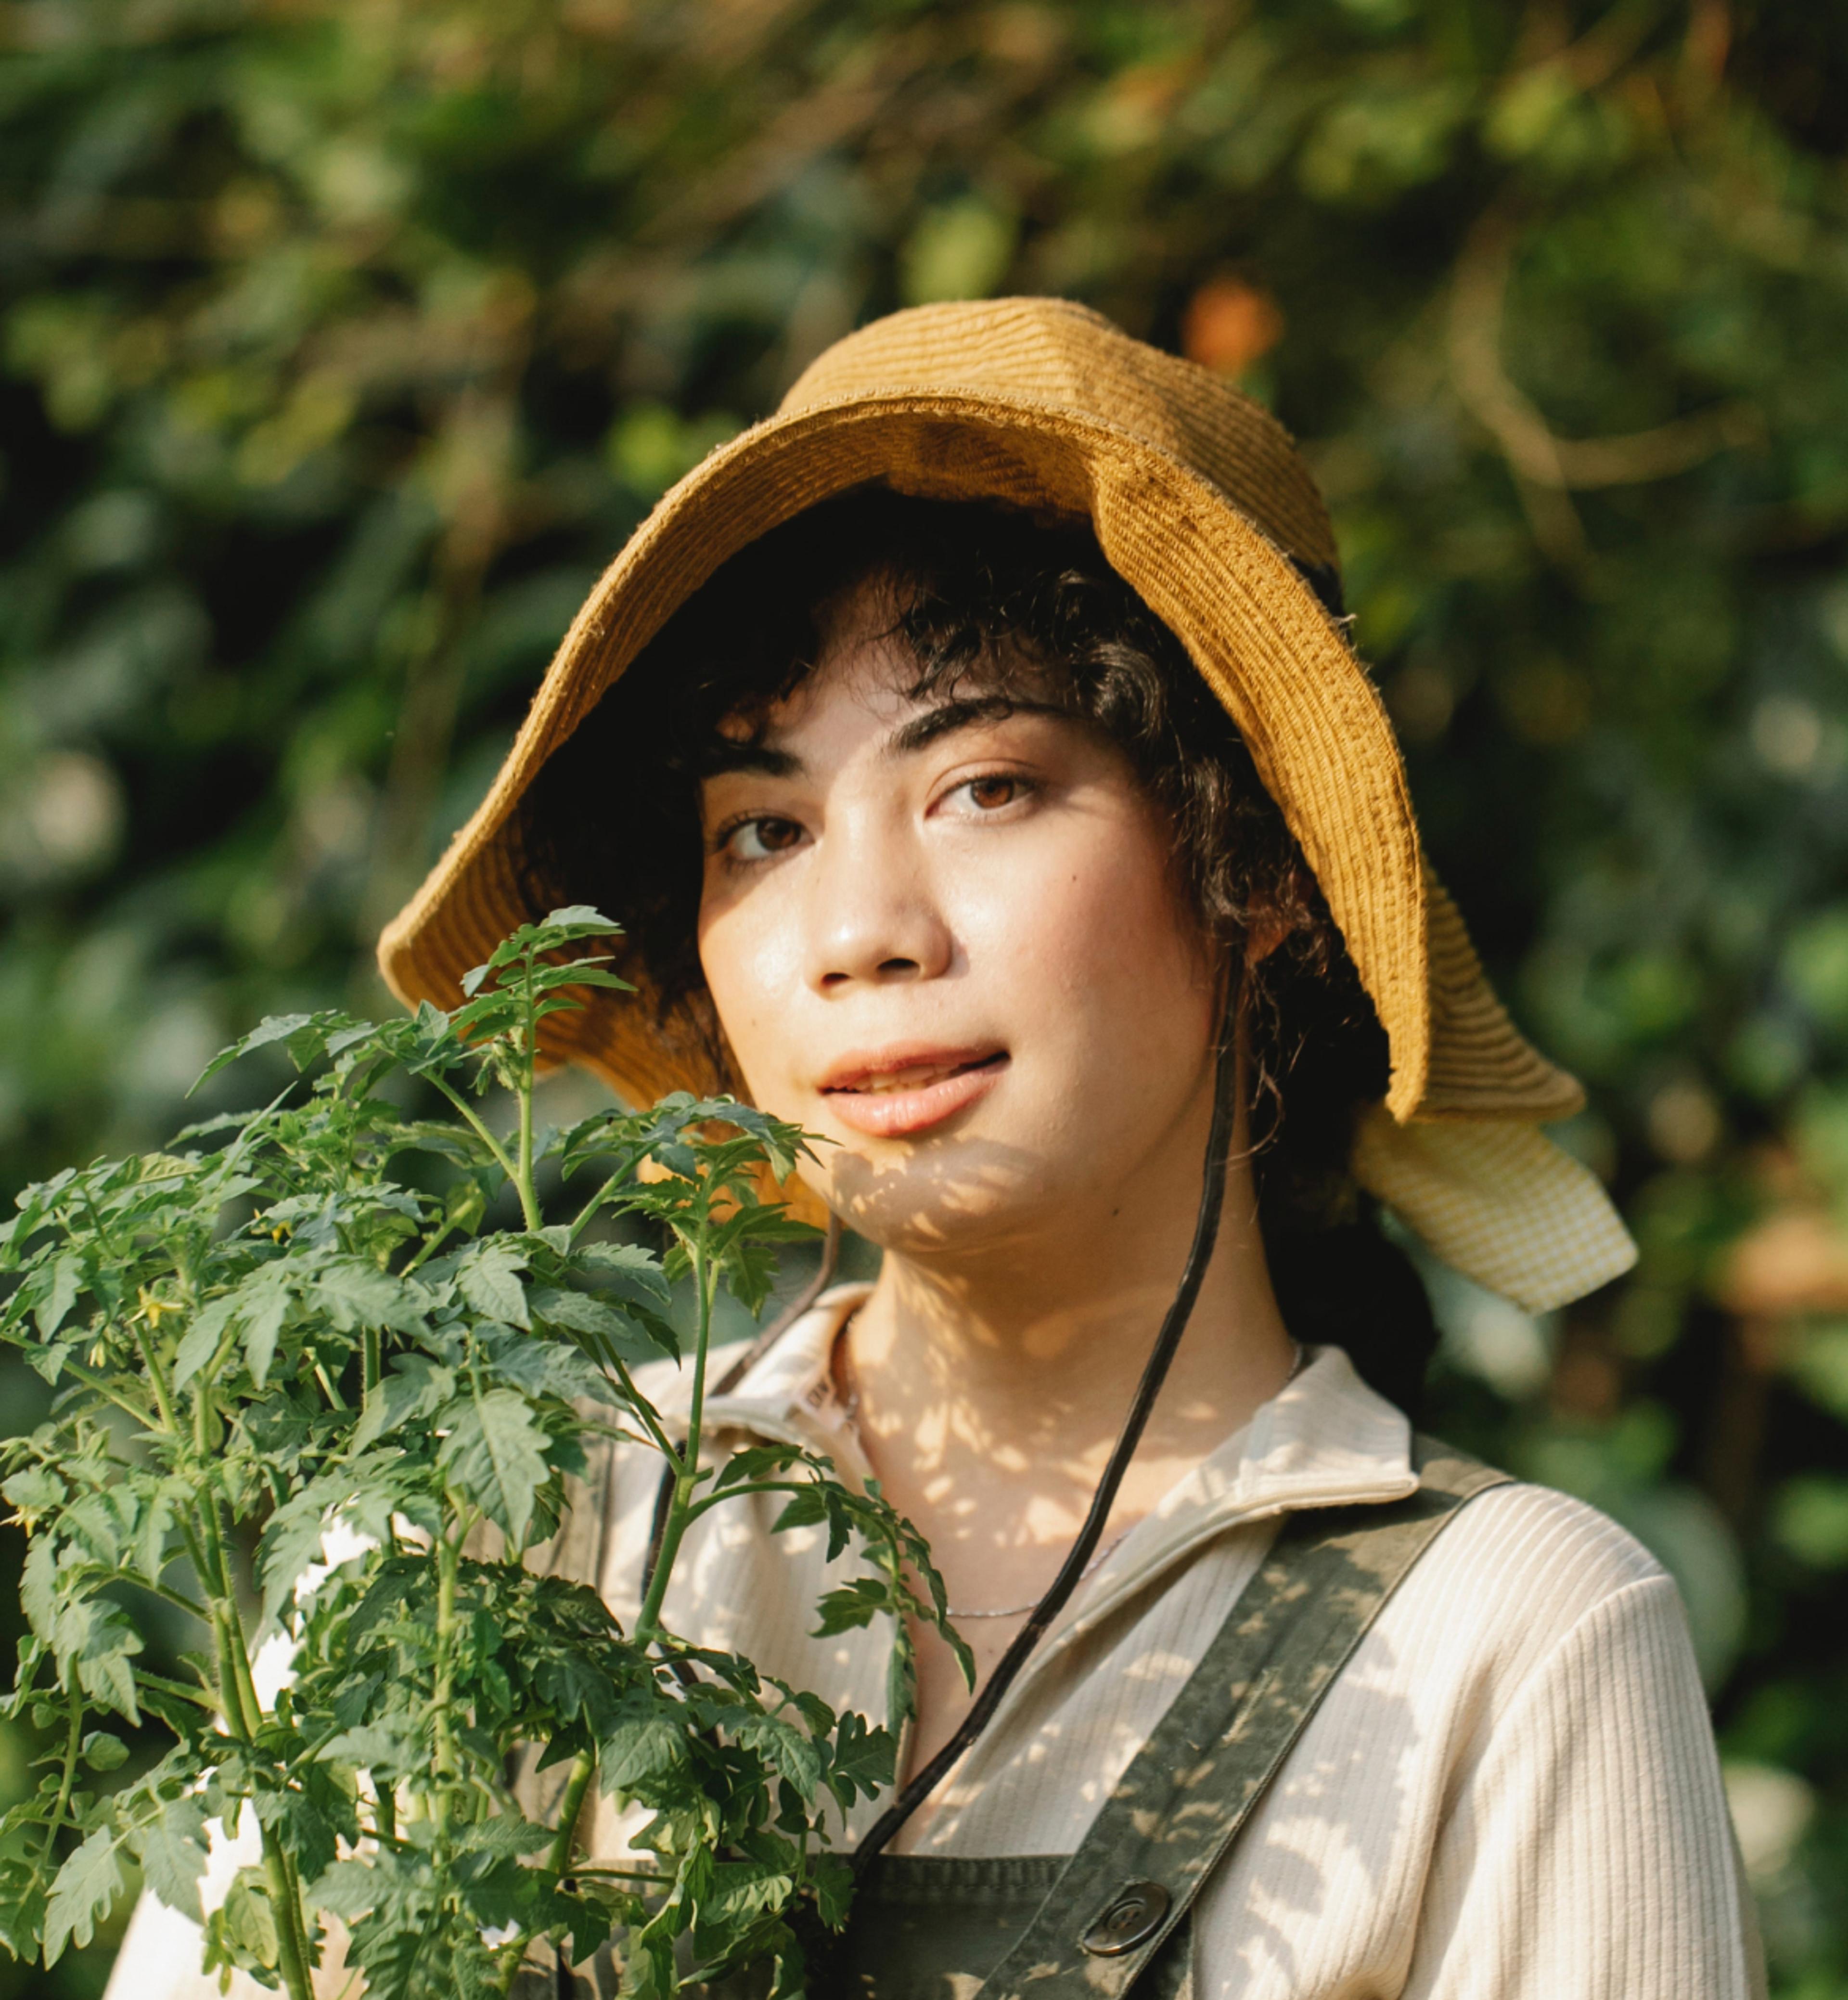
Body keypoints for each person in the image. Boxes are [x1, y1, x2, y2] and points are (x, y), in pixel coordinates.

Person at [117, 299, 1763, 1998]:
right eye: (763, 828)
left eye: (985, 785)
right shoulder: (490, 1560)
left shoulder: (1506, 1638)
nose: (859, 931)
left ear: (1260, 860)